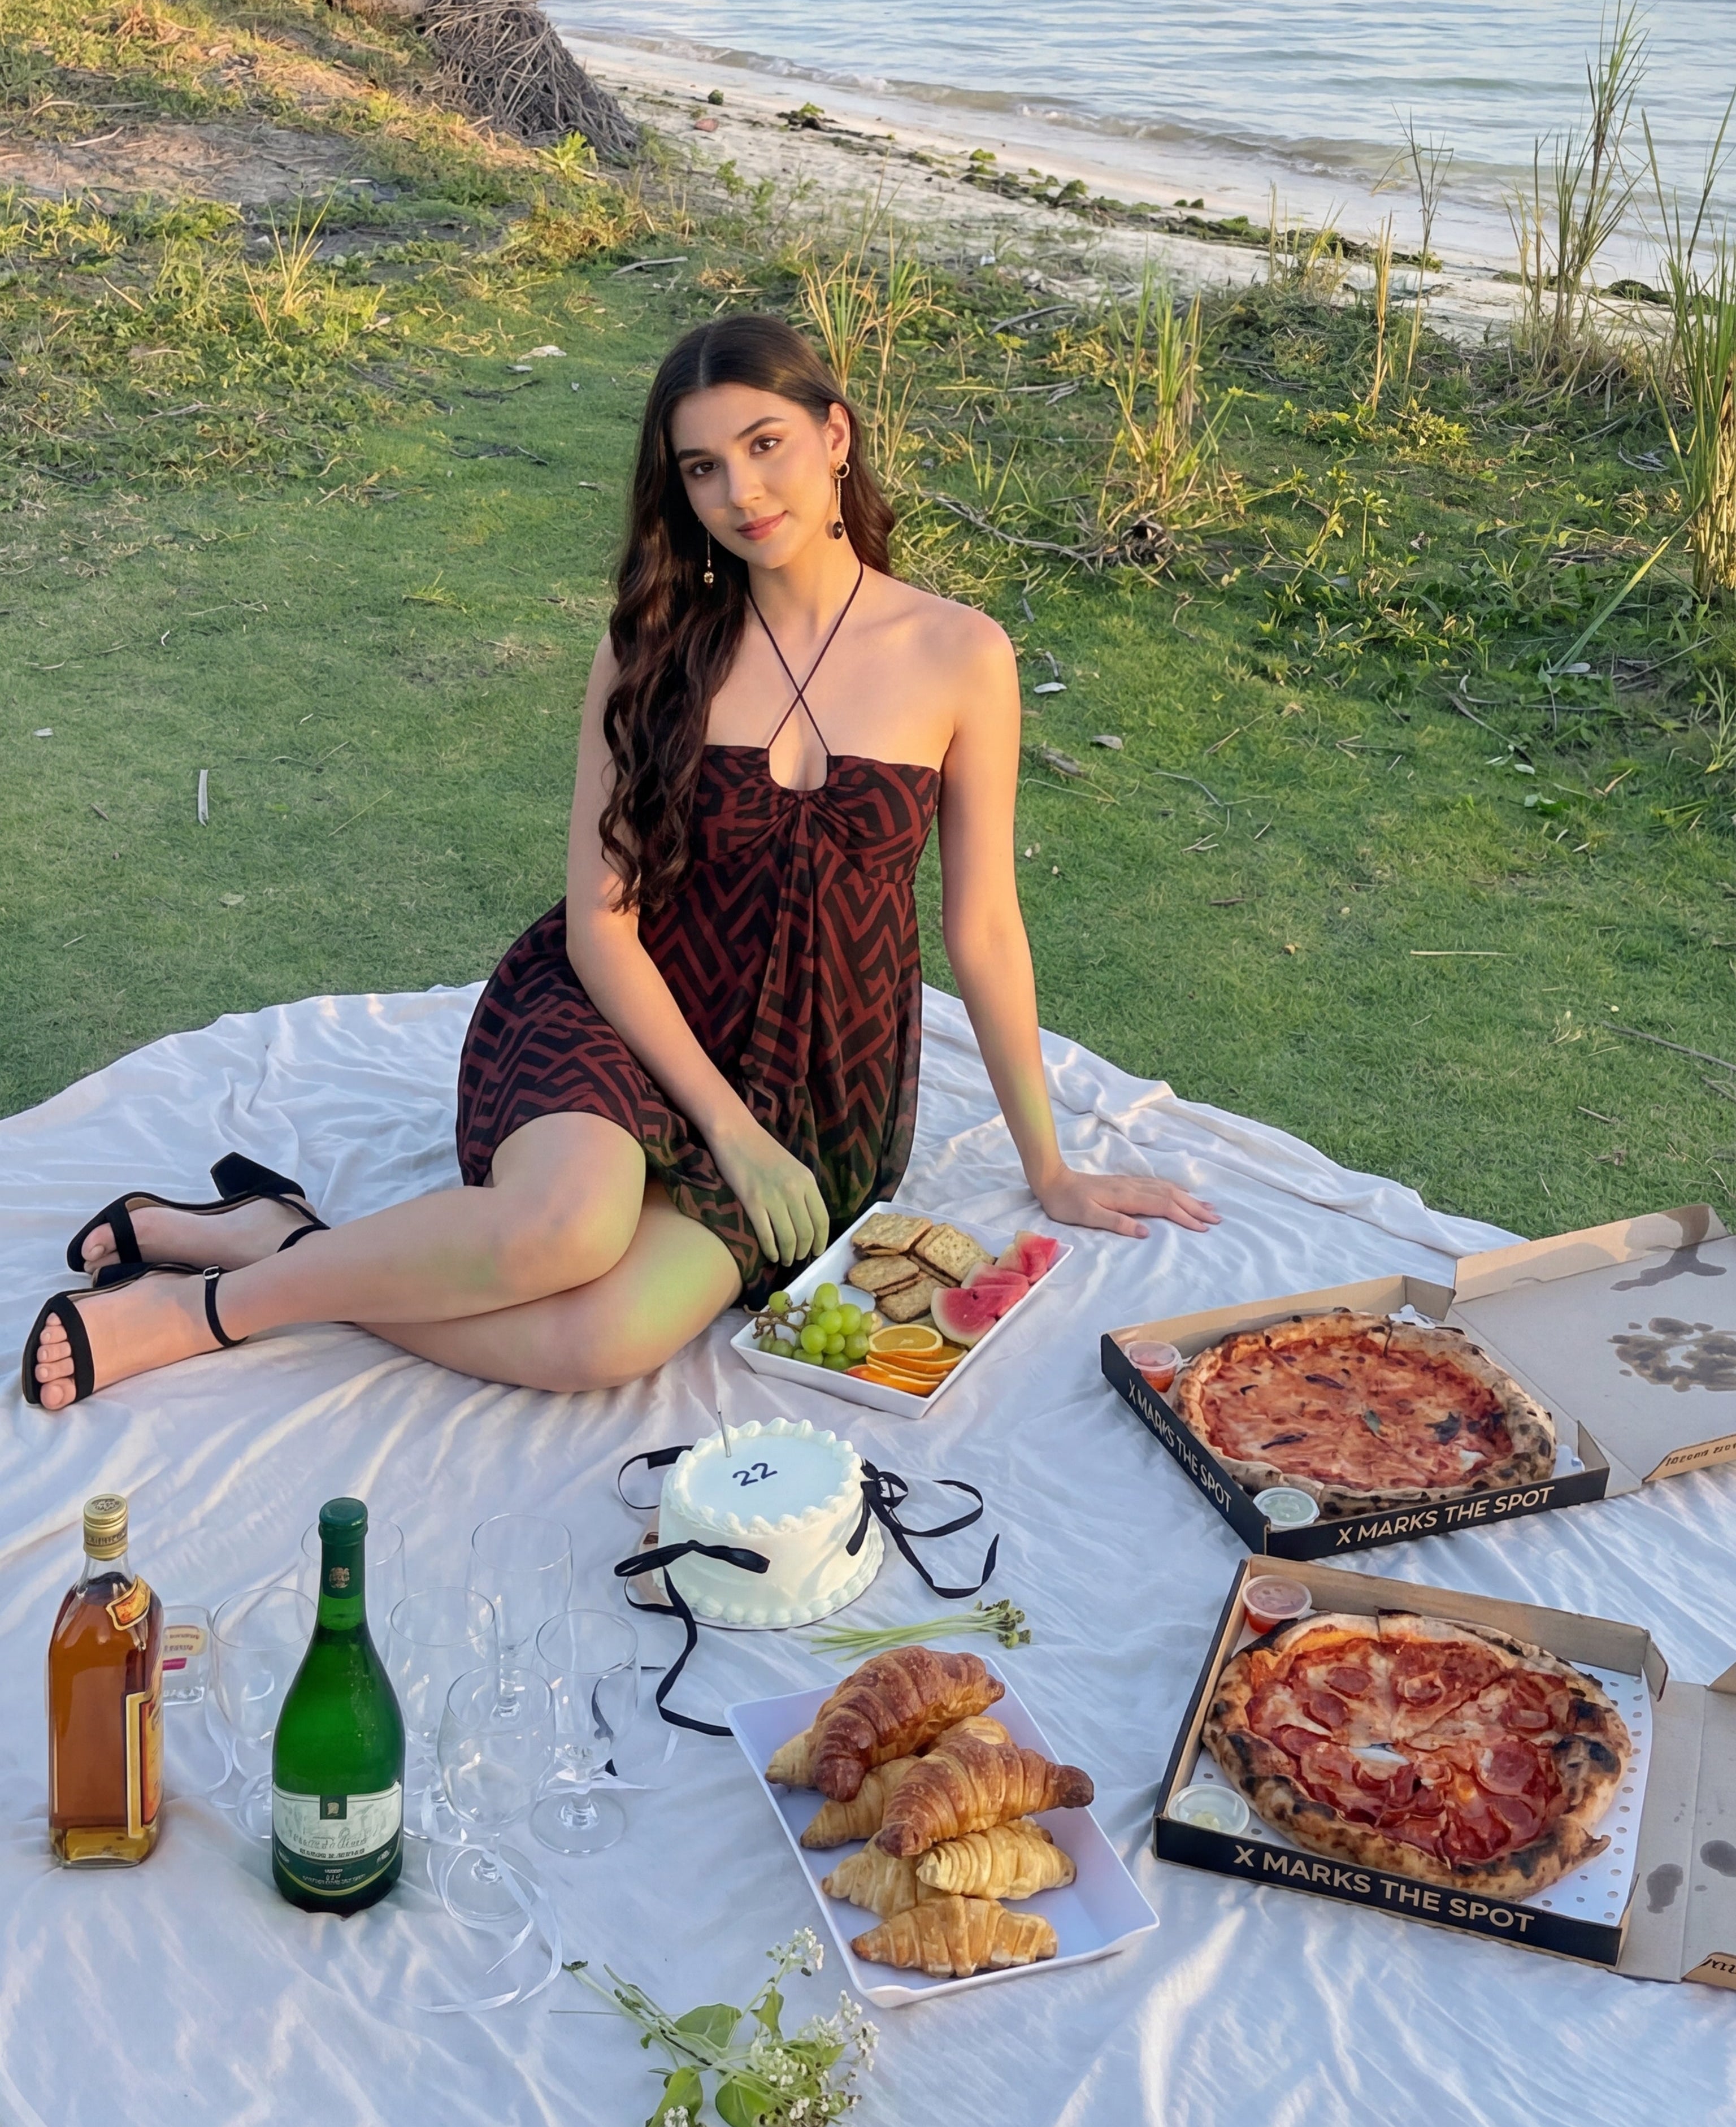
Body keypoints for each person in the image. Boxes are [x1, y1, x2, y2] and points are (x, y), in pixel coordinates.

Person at [27, 314, 1217, 1411]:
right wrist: (725, 1132)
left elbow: (986, 931)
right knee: (564, 1229)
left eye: (765, 444)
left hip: (814, 1083)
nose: (741, 491)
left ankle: (284, 1240)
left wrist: (1049, 1165)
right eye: (703, 466)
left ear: (835, 435)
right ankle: (203, 1311)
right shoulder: (654, 644)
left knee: (595, 1341)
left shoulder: (963, 653)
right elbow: (604, 921)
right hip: (610, 1009)